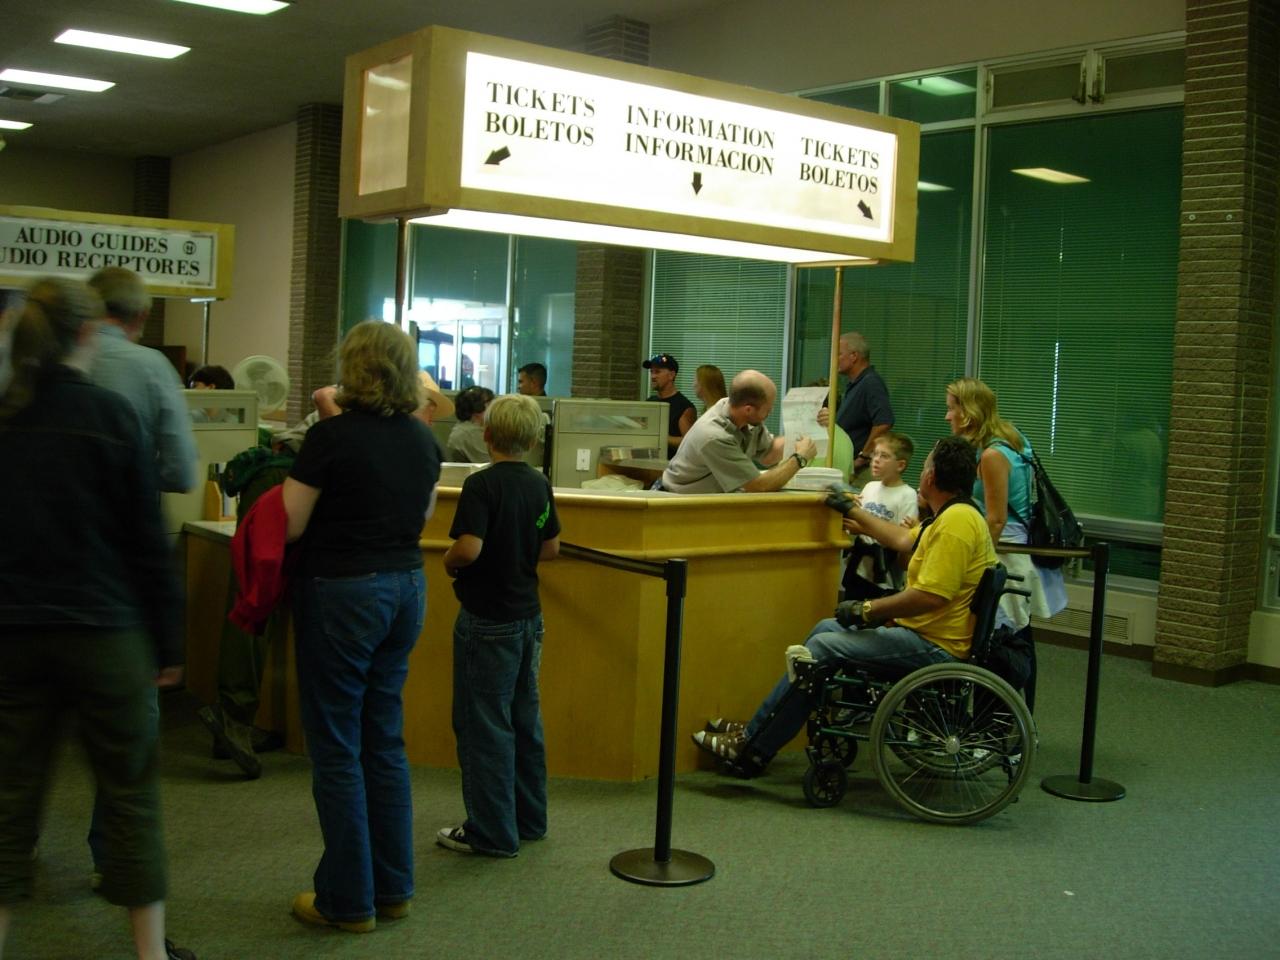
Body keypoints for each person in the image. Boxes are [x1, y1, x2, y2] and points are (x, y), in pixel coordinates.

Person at [0, 279, 196, 960]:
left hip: (14, 633)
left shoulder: (6, 416)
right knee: (130, 796)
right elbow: (145, 541)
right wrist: (168, 642)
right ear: (88, 334)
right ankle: (149, 954)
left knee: (9, 801)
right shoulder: (111, 416)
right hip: (108, 632)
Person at [691, 435, 996, 775]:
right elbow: (899, 538)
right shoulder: (951, 515)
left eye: (925, 466)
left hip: (935, 645)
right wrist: (851, 509)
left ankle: (753, 745)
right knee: (825, 628)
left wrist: (867, 610)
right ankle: (761, 729)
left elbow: (931, 596)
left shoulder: (955, 525)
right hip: (926, 633)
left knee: (823, 648)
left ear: (931, 476)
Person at [281, 320, 440, 933]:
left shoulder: (331, 438)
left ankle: (348, 900)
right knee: (383, 741)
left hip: (342, 590)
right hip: (405, 588)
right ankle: (393, 888)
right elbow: (418, 517)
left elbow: (291, 524)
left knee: (338, 747)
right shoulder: (422, 440)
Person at [438, 394, 561, 857]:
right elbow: (551, 548)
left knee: (484, 725)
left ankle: (491, 832)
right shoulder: (539, 484)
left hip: (488, 617)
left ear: (486, 435)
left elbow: (468, 548)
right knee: (524, 719)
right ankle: (529, 820)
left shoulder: (481, 486)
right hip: (529, 616)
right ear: (532, 440)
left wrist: (448, 563)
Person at [945, 377, 1066, 701]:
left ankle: (999, 717)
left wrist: (973, 561)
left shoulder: (991, 455)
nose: (947, 416)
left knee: (1002, 641)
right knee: (1020, 637)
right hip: (1019, 545)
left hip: (1006, 554)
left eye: (952, 409)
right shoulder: (1014, 438)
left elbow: (996, 519)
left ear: (968, 413)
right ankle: (1022, 713)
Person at [86, 267, 198, 494]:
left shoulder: (54, 356)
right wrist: (136, 476)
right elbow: (181, 473)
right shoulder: (153, 366)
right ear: (142, 315)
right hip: (124, 509)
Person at [659, 370, 817, 494]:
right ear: (748, 409)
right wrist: (799, 458)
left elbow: (768, 454)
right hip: (675, 502)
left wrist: (813, 424)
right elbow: (759, 486)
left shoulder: (741, 414)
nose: (771, 411)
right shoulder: (713, 435)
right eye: (768, 408)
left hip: (705, 499)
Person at [842, 432, 918, 600]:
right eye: (875, 454)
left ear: (900, 465)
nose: (876, 460)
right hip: (857, 568)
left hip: (884, 575)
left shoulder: (907, 495)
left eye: (884, 456)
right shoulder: (869, 487)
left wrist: (863, 529)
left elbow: (903, 539)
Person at [816, 332, 894, 482]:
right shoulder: (854, 384)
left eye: (839, 354)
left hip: (862, 470)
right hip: (851, 465)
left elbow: (884, 422)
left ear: (854, 356)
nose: (834, 359)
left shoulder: (871, 382)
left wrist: (863, 456)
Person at [643, 353, 696, 452]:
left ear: (671, 375)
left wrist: (660, 437)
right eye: (651, 372)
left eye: (657, 372)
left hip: (672, 461)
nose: (653, 376)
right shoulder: (649, 403)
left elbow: (689, 443)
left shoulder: (684, 407)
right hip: (649, 459)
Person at [447, 385, 494, 463]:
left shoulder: (465, 427)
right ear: (478, 408)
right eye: (490, 404)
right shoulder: (470, 433)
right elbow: (493, 463)